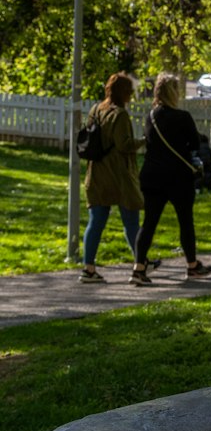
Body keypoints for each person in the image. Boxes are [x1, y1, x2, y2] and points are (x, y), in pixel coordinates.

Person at [130, 73, 211, 285]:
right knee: (185, 222)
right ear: (174, 92)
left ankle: (139, 268)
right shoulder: (183, 117)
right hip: (178, 177)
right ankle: (192, 265)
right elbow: (194, 144)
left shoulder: (151, 117)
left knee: (148, 223)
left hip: (152, 175)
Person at [80, 72, 144, 282]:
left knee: (96, 221)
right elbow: (124, 145)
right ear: (125, 93)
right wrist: (143, 141)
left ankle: (88, 267)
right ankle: (141, 262)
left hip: (96, 173)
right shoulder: (120, 115)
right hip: (119, 175)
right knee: (131, 220)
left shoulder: (96, 109)